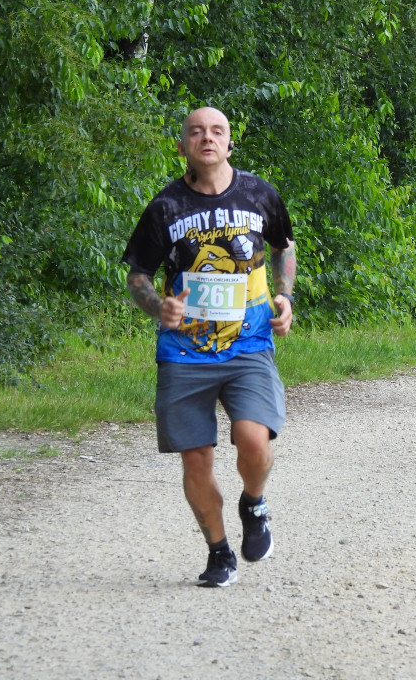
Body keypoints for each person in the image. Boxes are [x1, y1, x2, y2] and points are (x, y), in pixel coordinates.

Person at [122, 106, 296, 588]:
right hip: (184, 352)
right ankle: (219, 553)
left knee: (254, 439)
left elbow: (283, 245)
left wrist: (285, 296)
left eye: (217, 131)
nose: (207, 138)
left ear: (229, 143)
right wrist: (158, 306)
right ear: (182, 145)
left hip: (249, 345)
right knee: (196, 457)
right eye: (196, 132)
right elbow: (138, 274)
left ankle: (253, 502)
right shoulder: (164, 208)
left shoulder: (259, 194)